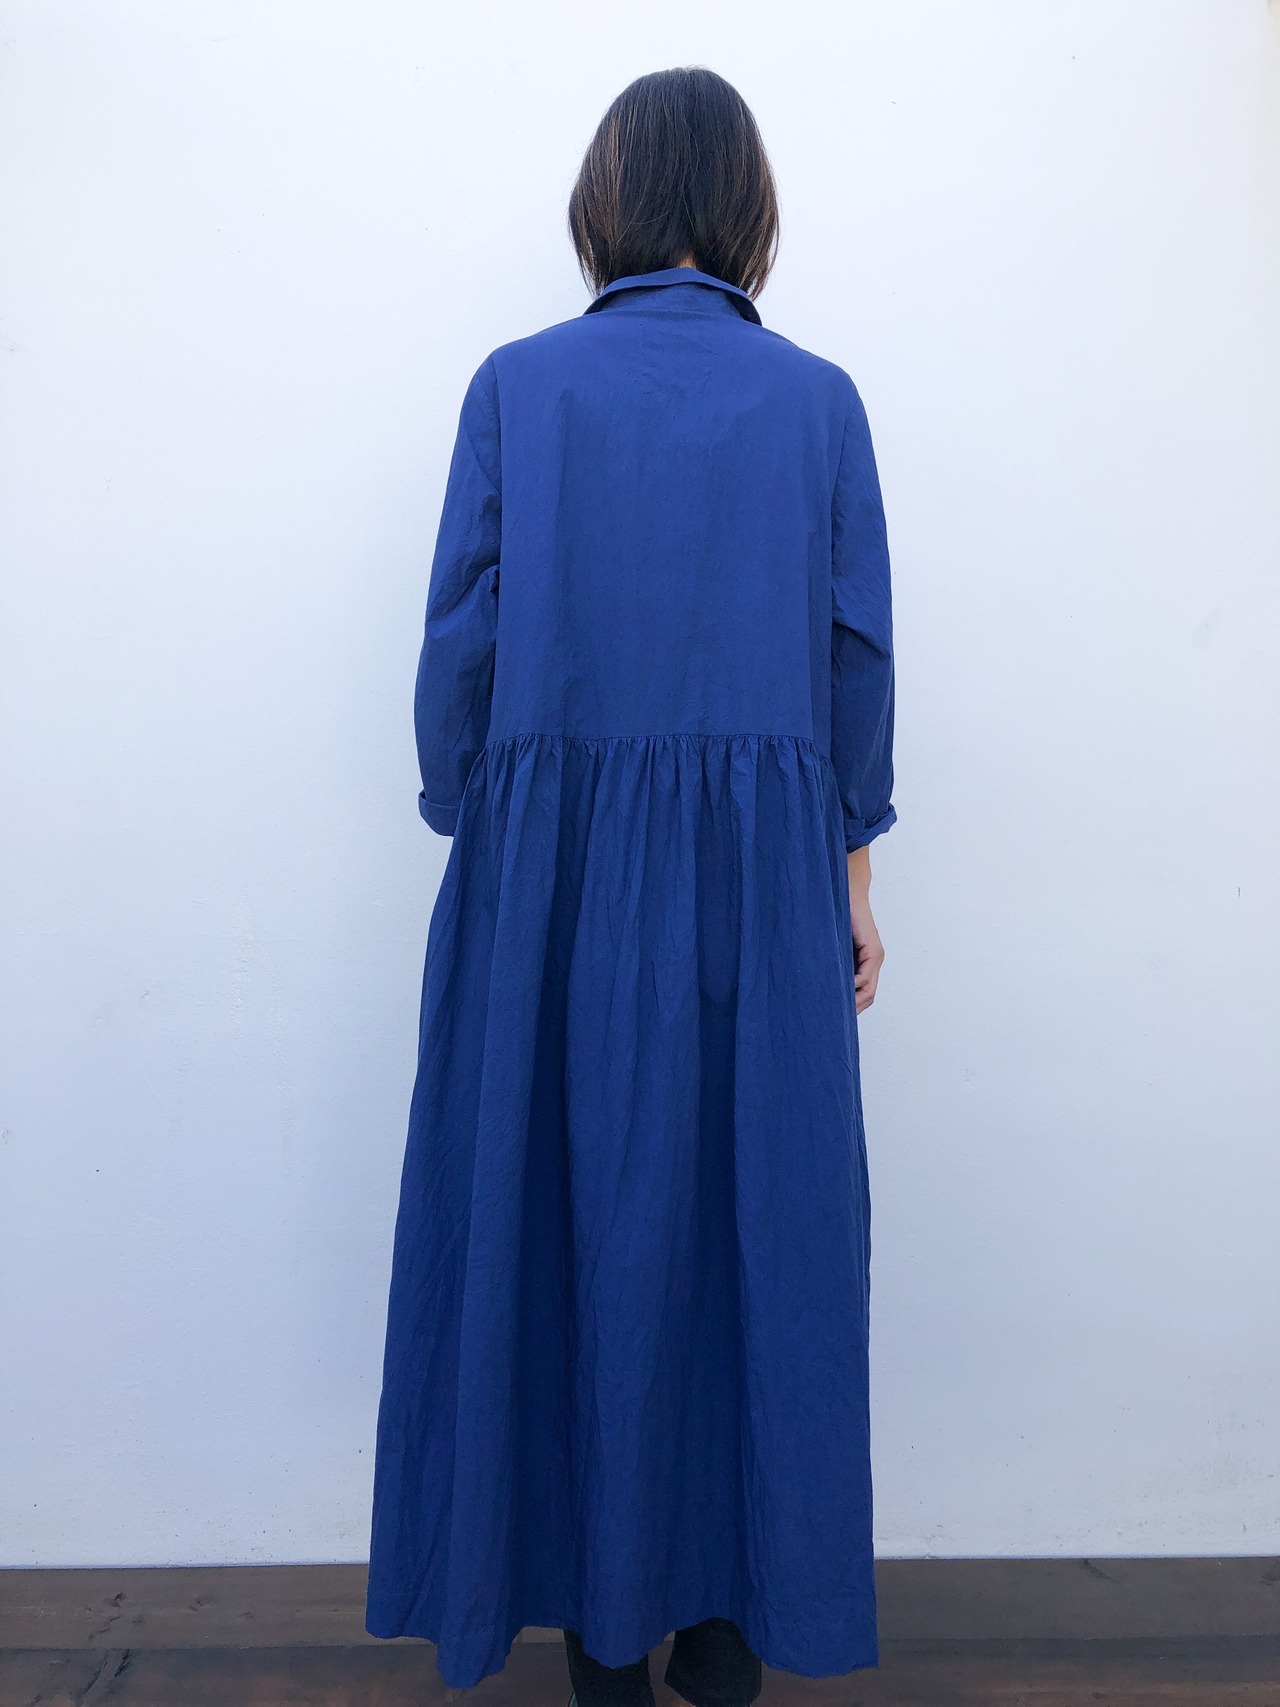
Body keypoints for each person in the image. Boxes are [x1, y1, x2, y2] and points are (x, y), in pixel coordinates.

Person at [365, 65, 897, 1707]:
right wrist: (850, 878)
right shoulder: (819, 404)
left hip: (550, 884)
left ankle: (600, 1639)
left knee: (561, 1222)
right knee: (757, 1229)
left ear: (604, 201)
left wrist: (479, 814)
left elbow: (459, 649)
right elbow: (855, 667)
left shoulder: (516, 389)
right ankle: (726, 1633)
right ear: (746, 210)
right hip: (760, 886)